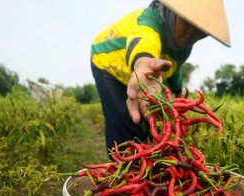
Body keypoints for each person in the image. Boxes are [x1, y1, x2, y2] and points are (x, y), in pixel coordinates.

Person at [90, 0, 231, 158]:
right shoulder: (150, 19)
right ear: (172, 11)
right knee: (123, 122)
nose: (192, 32)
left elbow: (174, 67)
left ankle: (141, 170)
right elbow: (144, 39)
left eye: (201, 31)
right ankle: (121, 171)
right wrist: (143, 61)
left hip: (141, 78)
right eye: (187, 23)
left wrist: (178, 91)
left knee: (148, 123)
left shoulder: (184, 49)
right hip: (108, 61)